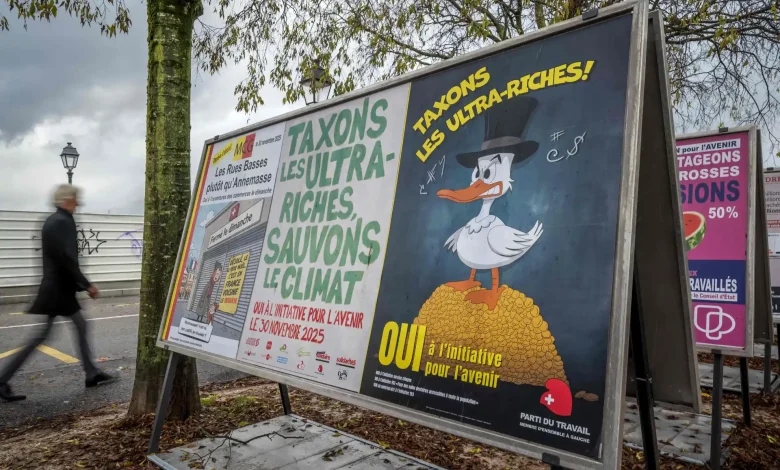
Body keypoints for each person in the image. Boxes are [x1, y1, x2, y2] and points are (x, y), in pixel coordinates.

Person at [0, 185, 115, 402]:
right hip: (59, 291)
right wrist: (87, 284)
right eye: (75, 199)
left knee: (63, 329)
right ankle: (91, 373)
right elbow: (67, 258)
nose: (78, 203)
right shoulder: (63, 222)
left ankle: (91, 373)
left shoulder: (52, 221)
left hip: (56, 288)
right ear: (66, 200)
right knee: (59, 331)